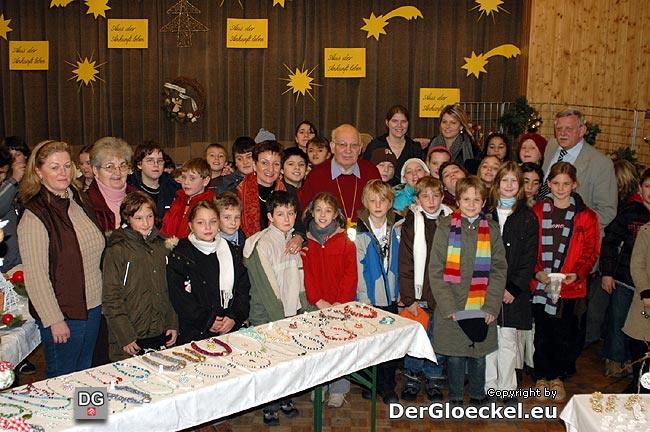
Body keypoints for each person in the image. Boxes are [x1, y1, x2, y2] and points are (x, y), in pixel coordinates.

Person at [18, 140, 104, 378]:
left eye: (67, 165)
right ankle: (66, 417)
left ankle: (89, 417)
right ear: (38, 171)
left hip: (93, 306)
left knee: (87, 375)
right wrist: (54, 320)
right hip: (64, 313)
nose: (63, 172)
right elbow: (36, 277)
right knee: (63, 380)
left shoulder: (77, 197)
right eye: (54, 167)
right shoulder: (35, 215)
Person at [539, 109, 617, 363]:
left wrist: (578, 233)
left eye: (569, 129)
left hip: (576, 252)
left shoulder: (600, 163)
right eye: (559, 128)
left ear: (582, 130)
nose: (562, 133)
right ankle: (543, 364)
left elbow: (607, 210)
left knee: (571, 317)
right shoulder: (551, 147)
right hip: (545, 245)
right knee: (544, 315)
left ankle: (564, 366)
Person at [429, 176, 506, 406]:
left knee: (478, 355)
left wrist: (492, 305)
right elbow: (436, 270)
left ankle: (477, 395)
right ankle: (454, 397)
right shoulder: (444, 228)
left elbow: (499, 269)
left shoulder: (492, 230)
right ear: (457, 201)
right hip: (453, 301)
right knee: (454, 356)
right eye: (466, 199)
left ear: (484, 202)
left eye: (476, 199)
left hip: (482, 302)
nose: (471, 204)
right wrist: (448, 306)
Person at [531, 162, 600, 401]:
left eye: (566, 184)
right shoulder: (538, 212)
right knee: (542, 332)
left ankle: (557, 377)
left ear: (575, 185)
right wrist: (538, 272)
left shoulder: (587, 215)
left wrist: (577, 274)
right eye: (556, 183)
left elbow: (591, 251)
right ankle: (541, 377)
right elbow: (530, 248)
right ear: (548, 184)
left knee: (564, 334)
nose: (561, 188)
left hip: (571, 287)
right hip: (542, 285)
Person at [243, 191, 307, 426]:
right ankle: (269, 405)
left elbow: (297, 279)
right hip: (268, 314)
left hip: (289, 312)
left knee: (288, 360)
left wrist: (304, 309)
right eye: (280, 214)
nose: (287, 218)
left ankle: (285, 398)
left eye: (291, 213)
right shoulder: (263, 244)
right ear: (270, 216)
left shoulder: (292, 240)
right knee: (270, 361)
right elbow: (268, 289)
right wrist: (280, 320)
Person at [484, 162, 538, 403]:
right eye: (504, 180)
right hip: (485, 288)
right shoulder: (486, 214)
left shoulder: (527, 217)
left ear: (521, 186)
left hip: (511, 292)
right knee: (487, 340)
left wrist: (513, 288)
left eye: (514, 181)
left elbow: (529, 257)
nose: (508, 185)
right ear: (497, 184)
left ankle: (506, 387)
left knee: (507, 341)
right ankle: (489, 385)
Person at [102, 191, 178, 361]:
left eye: (149, 216)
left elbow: (174, 290)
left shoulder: (164, 246)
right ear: (127, 218)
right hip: (131, 334)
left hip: (161, 330)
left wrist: (172, 322)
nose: (146, 223)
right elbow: (111, 297)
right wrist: (125, 335)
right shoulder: (117, 249)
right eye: (138, 218)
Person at [302, 192, 358, 408]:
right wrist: (318, 300)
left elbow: (350, 274)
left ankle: (339, 388)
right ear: (312, 212)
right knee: (317, 346)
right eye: (318, 210)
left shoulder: (346, 242)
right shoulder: (307, 242)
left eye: (327, 210)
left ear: (336, 214)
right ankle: (319, 385)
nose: (322, 215)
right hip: (316, 305)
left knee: (339, 348)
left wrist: (341, 302)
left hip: (340, 305)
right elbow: (307, 275)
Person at [398, 177, 452, 402]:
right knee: (417, 338)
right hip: (419, 294)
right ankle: (412, 377)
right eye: (425, 196)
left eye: (436, 195)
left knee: (438, 339)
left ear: (442, 197)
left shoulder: (452, 221)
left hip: (443, 293)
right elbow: (405, 263)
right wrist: (409, 297)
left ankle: (433, 378)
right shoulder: (412, 223)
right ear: (417, 199)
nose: (431, 201)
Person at [168, 200, 250, 345]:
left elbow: (242, 288)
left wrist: (234, 317)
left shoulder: (231, 251)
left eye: (213, 221)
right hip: (194, 331)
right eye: (201, 222)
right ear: (190, 226)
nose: (208, 227)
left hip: (228, 327)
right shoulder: (181, 254)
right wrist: (207, 320)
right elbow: (179, 296)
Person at [355, 179, 402, 404]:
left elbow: (404, 262)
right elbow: (358, 267)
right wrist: (364, 300)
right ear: (366, 203)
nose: (377, 205)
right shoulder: (360, 231)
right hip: (371, 298)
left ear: (390, 202)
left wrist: (403, 291)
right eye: (372, 200)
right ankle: (371, 383)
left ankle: (387, 386)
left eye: (382, 200)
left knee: (390, 344)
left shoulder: (398, 227)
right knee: (372, 345)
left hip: (392, 295)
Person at [600, 168, 650, 377]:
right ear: (640, 188)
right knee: (618, 321)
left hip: (646, 284)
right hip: (625, 279)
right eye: (648, 186)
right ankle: (615, 360)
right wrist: (607, 273)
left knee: (641, 325)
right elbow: (610, 240)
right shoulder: (629, 212)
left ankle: (637, 361)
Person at [300, 124, 381, 225]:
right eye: (342, 145)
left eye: (354, 145)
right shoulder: (316, 175)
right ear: (333, 147)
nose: (348, 150)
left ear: (360, 149)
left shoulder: (371, 172)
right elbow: (305, 215)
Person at [237, 141, 305, 254]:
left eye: (276, 164)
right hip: (248, 255)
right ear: (254, 165)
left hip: (282, 253)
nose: (270, 169)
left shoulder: (289, 191)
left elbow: (298, 222)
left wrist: (298, 238)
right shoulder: (238, 193)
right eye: (264, 163)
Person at [86, 136, 138, 233]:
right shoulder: (86, 203)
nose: (117, 172)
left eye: (122, 165)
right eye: (109, 166)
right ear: (95, 170)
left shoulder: (139, 197)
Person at [362, 105, 425, 184]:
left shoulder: (415, 148)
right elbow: (364, 172)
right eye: (395, 121)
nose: (399, 125)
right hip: (379, 193)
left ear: (408, 124)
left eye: (403, 121)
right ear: (387, 123)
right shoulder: (375, 145)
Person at [624, 221, 650, 393]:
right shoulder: (646, 231)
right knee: (642, 359)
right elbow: (637, 265)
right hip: (646, 304)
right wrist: (646, 292)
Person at [161, 158, 215, 239]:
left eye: (192, 178)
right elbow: (165, 226)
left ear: (205, 181)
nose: (186, 182)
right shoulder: (178, 201)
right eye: (183, 177)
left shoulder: (210, 204)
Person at [127, 140, 181, 220]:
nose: (156, 165)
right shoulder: (128, 188)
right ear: (139, 164)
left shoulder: (174, 188)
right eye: (150, 161)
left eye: (160, 161)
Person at [426, 104, 481, 173]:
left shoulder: (471, 147)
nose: (447, 126)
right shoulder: (433, 143)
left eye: (453, 123)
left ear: (461, 126)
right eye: (444, 122)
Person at [0, 145, 24, 273]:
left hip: (16, 262)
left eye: (5, 172)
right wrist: (13, 180)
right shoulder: (10, 184)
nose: (2, 178)